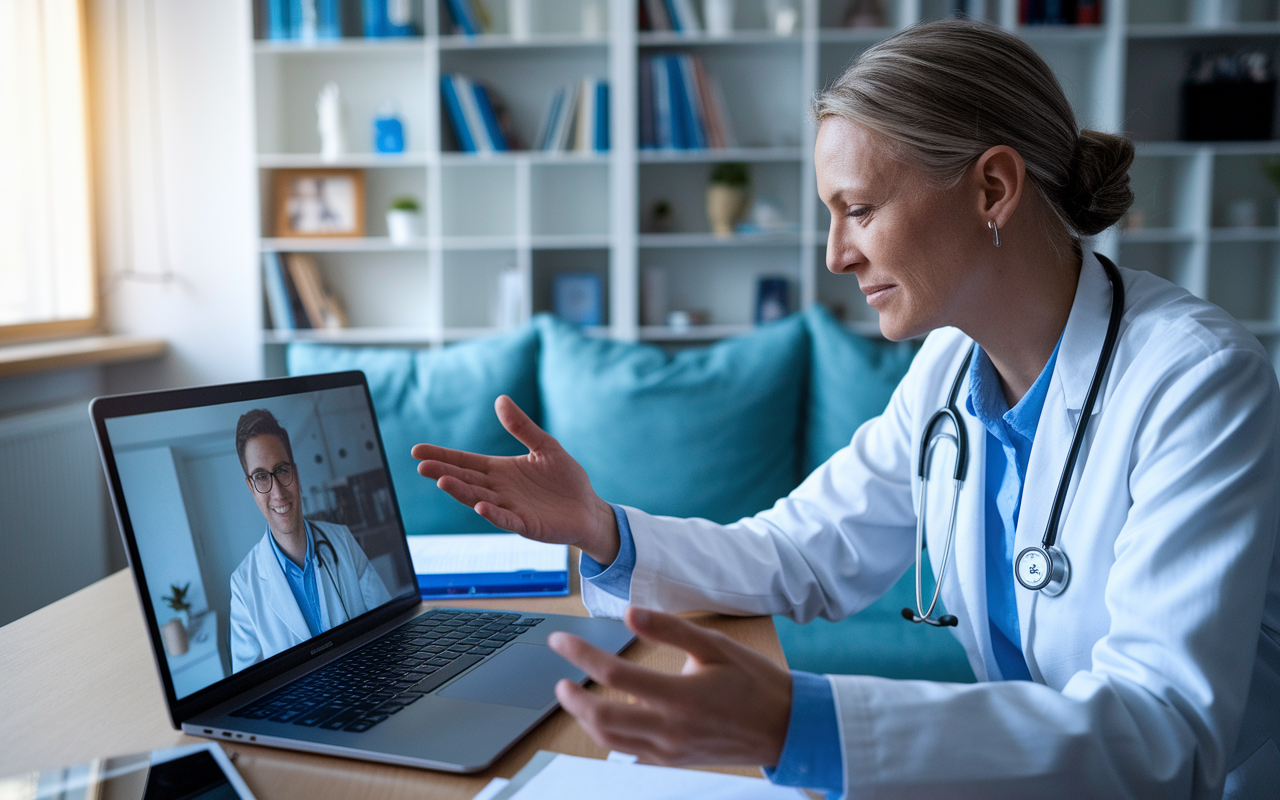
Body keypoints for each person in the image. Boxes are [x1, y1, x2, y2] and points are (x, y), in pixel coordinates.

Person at [411, 20, 1280, 798]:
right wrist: (603, 528)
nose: (834, 255)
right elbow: (800, 554)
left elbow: (1165, 734)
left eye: (858, 209)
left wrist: (803, 723)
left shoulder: (1197, 384)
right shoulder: (949, 369)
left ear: (991, 190)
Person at [229, 409, 391, 673]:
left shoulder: (342, 541)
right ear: (251, 487)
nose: (278, 492)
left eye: (281, 470)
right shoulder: (243, 587)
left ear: (295, 473)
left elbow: (389, 626)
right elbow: (248, 693)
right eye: (261, 477)